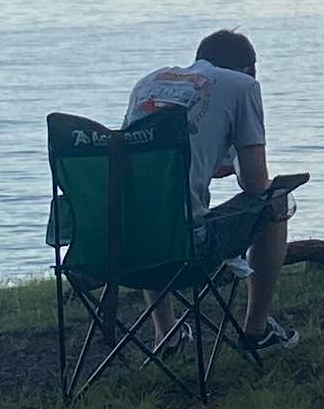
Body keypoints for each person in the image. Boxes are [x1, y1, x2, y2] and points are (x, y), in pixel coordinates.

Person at [122, 28, 299, 351]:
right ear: (248, 69)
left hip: (127, 245)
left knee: (153, 206)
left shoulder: (148, 84)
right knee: (277, 199)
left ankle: (167, 333)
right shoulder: (243, 86)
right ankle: (256, 332)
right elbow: (256, 184)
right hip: (188, 246)